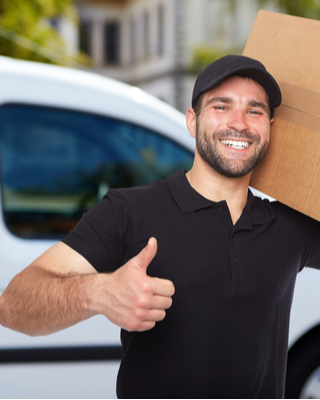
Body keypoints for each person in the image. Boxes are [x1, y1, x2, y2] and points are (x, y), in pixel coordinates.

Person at [1, 54, 320, 399]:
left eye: (254, 110)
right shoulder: (130, 211)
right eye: (222, 107)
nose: (239, 123)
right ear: (192, 121)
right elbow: (14, 304)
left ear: (270, 128)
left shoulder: (290, 226)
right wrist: (98, 293)